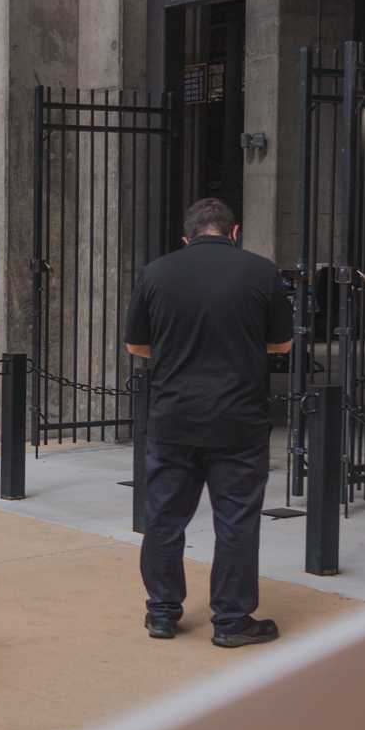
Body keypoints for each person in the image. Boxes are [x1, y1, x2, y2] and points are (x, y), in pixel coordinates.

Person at [124, 196, 294, 648]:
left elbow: (136, 346)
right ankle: (232, 621)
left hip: (173, 415)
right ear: (233, 232)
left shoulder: (156, 272)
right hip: (238, 417)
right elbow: (281, 346)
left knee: (163, 518)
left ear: (187, 236)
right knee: (236, 521)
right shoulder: (261, 271)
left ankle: (162, 613)